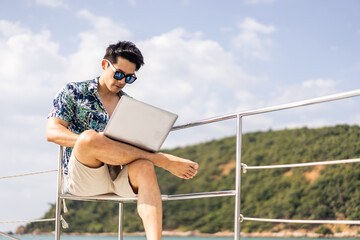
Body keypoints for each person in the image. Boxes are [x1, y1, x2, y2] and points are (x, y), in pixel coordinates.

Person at [46, 41, 199, 240]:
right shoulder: (74, 91)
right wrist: (92, 144)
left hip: (121, 176)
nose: (122, 81)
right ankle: (161, 160)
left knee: (144, 166)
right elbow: (52, 132)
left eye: (129, 78)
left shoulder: (130, 105)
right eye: (118, 74)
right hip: (86, 177)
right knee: (90, 137)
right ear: (104, 65)